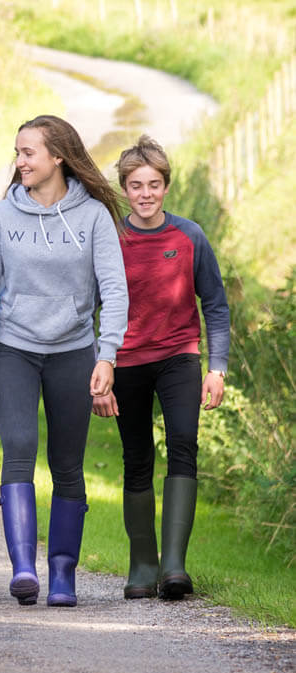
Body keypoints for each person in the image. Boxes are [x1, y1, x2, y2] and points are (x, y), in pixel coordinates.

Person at [0, 115, 129, 607]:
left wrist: (107, 355)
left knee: (67, 463)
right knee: (18, 446)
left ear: (58, 156)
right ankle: (23, 568)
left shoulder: (93, 217)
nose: (19, 161)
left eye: (28, 152)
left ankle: (62, 574)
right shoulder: (1, 216)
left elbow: (114, 290)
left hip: (73, 351)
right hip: (13, 348)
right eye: (17, 152)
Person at [93, 135, 230, 601]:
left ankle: (174, 566)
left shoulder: (189, 236)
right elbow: (89, 307)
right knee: (137, 458)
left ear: (166, 186)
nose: (145, 193)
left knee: (183, 445)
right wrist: (99, 372)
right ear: (124, 189)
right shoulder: (111, 240)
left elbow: (215, 304)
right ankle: (142, 565)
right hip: (127, 361)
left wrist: (217, 368)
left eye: (153, 184)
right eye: (136, 185)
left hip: (179, 357)